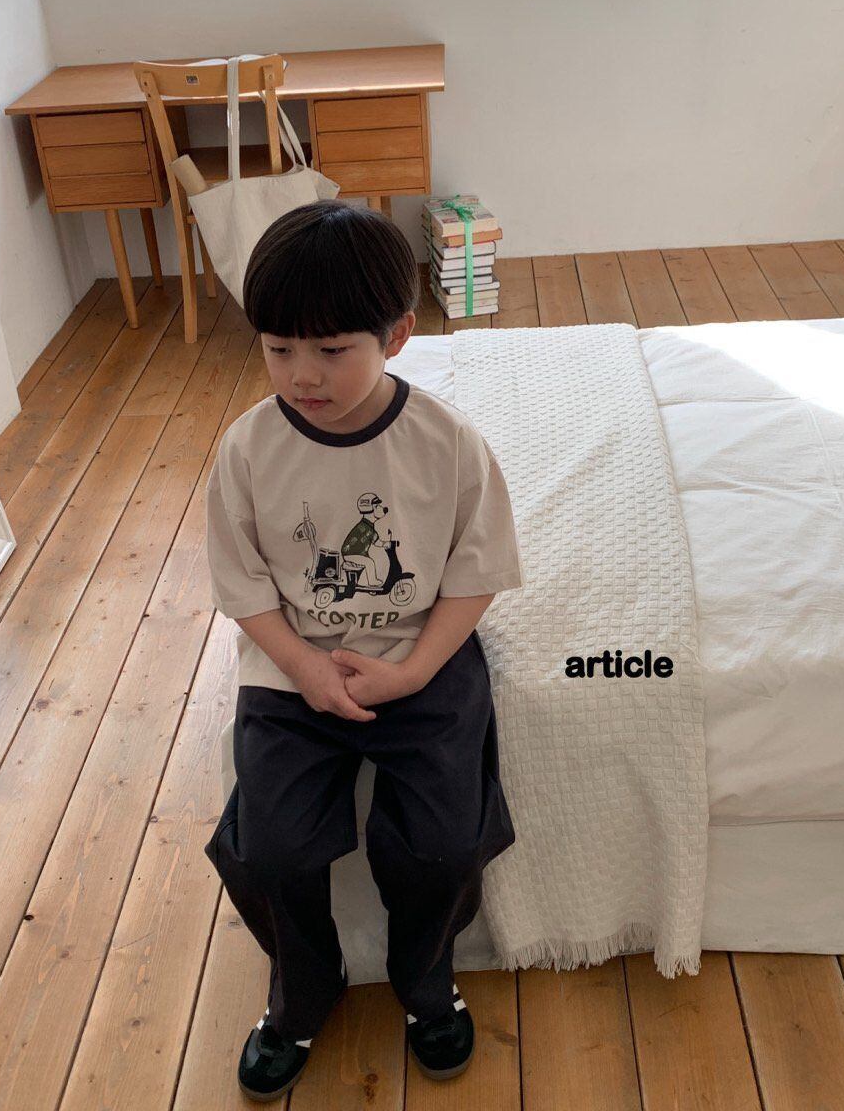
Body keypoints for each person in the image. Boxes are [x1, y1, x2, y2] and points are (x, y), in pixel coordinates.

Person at [203, 198, 523, 1101]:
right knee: (270, 851)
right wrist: (304, 667)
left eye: (332, 350)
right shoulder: (248, 449)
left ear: (398, 335)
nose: (301, 374)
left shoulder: (447, 444)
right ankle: (303, 992)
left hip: (421, 661)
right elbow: (243, 584)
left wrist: (414, 670)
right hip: (291, 670)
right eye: (278, 349)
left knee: (444, 844)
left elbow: (476, 571)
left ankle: (427, 985)